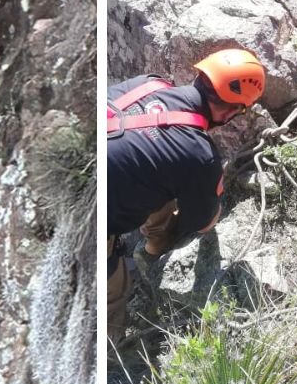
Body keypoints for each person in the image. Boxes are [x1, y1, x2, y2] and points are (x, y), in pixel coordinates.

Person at [105, 49, 266, 344]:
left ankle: (152, 243)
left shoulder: (147, 83)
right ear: (231, 111)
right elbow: (201, 223)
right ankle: (107, 351)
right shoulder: (198, 156)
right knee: (113, 291)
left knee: (164, 178)